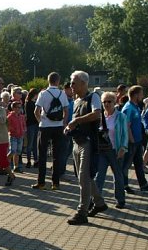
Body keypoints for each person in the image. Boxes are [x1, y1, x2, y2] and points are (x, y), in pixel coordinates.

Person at [64, 71, 104, 224]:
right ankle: (99, 203)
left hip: (88, 143)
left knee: (83, 178)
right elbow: (75, 121)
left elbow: (97, 114)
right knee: (84, 177)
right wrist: (69, 127)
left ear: (83, 83)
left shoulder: (93, 97)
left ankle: (82, 212)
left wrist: (77, 121)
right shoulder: (76, 100)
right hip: (77, 141)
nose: (71, 85)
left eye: (74, 82)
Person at [32, 72, 69, 190]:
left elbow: (36, 111)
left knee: (42, 154)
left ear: (48, 80)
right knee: (56, 155)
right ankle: (55, 183)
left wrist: (40, 122)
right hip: (58, 127)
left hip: (45, 126)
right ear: (58, 81)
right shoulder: (62, 93)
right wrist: (63, 124)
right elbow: (66, 111)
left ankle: (41, 182)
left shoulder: (43, 93)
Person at [95, 91, 130, 209]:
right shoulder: (100, 116)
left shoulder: (121, 116)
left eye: (109, 101)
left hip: (116, 150)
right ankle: (95, 200)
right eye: (104, 102)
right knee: (99, 176)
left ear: (114, 102)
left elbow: (125, 134)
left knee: (118, 176)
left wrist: (123, 148)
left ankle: (120, 200)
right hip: (102, 151)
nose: (106, 104)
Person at [121, 85, 148, 192]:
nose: (142, 96)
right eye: (141, 94)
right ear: (135, 95)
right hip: (131, 141)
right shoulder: (128, 108)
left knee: (138, 163)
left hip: (137, 140)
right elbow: (126, 125)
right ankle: (124, 185)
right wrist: (131, 139)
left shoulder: (135, 106)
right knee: (126, 164)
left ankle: (143, 184)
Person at [6, 100, 26, 175]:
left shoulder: (21, 116)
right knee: (12, 150)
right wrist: (12, 130)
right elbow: (7, 125)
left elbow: (24, 124)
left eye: (20, 107)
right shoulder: (10, 116)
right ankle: (4, 164)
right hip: (13, 135)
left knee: (18, 151)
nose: (19, 109)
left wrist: (24, 130)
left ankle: (16, 166)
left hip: (20, 135)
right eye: (17, 107)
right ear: (13, 108)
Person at [23, 88, 39, 168]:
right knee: (30, 143)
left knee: (34, 143)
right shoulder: (29, 103)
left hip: (34, 124)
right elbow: (30, 115)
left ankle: (35, 160)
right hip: (31, 124)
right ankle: (29, 160)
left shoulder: (33, 103)